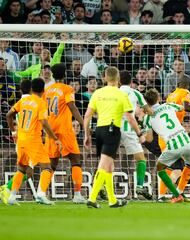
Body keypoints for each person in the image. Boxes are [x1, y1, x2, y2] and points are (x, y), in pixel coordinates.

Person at [143, 88, 190, 203]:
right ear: (158, 98)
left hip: (172, 146)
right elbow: (184, 107)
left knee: (160, 169)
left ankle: (176, 195)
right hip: (186, 141)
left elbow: (148, 139)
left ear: (146, 102)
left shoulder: (148, 117)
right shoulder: (169, 105)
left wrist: (142, 131)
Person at [84, 66, 143, 208]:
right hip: (112, 130)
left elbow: (87, 115)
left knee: (109, 166)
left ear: (104, 78)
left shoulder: (97, 93)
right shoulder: (121, 95)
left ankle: (113, 200)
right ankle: (92, 199)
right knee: (104, 165)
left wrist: (87, 134)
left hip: (99, 130)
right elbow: (130, 118)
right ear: (117, 79)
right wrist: (139, 133)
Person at [5, 78, 62, 205]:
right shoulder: (41, 103)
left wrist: (13, 131)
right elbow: (44, 123)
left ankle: (12, 197)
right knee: (47, 166)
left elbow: (8, 115)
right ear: (43, 90)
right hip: (33, 140)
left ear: (31, 89)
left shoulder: (24, 101)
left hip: (21, 139)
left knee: (21, 168)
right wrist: (55, 138)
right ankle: (41, 194)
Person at [43, 63, 87, 204]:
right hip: (64, 130)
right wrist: (83, 124)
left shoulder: (48, 90)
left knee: (52, 164)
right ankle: (77, 195)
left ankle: (42, 193)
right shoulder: (67, 89)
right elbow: (72, 107)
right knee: (75, 161)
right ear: (65, 74)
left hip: (50, 130)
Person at [119, 70, 154, 200]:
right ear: (131, 82)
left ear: (118, 81)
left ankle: (101, 186)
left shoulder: (114, 92)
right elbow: (149, 110)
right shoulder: (135, 93)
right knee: (141, 159)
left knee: (108, 160)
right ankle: (139, 186)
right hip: (129, 128)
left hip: (113, 128)